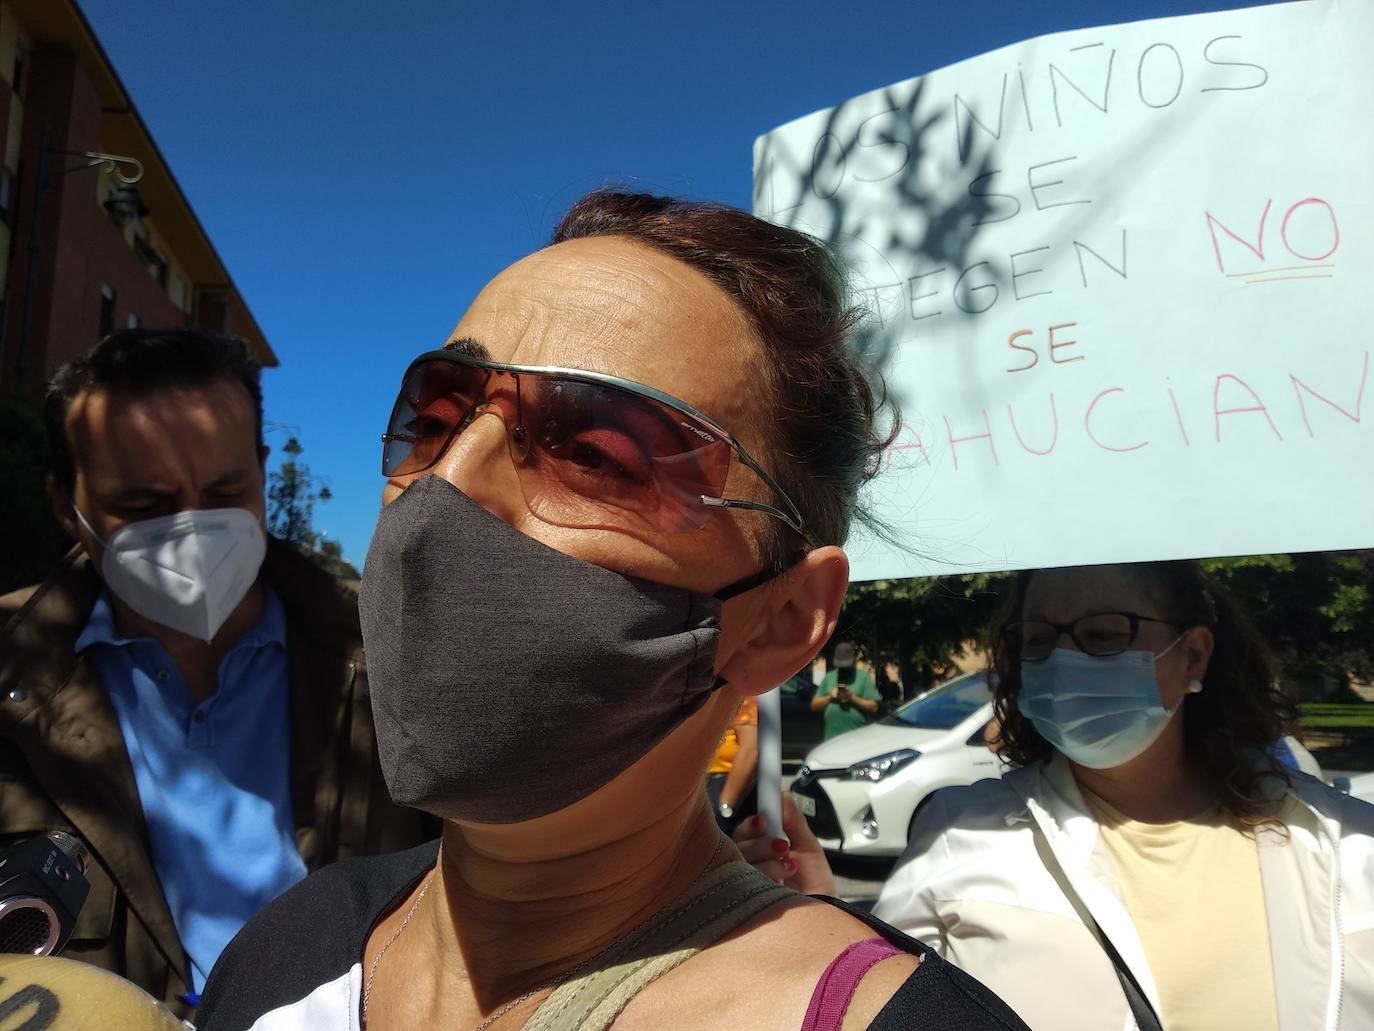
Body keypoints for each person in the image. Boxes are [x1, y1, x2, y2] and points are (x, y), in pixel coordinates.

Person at [196, 191, 1030, 1031]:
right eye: (438, 417)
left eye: (596, 451)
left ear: (783, 619)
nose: (447, 483)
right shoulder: (288, 949)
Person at [744, 561, 1374, 1031]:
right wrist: (819, 927)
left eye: (1103, 636)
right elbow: (889, 1007)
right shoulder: (960, 835)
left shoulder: (1350, 845)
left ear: (1194, 655)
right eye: (1040, 641)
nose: (1065, 662)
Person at [0, 329, 430, 1015]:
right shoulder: (12, 672)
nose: (193, 530)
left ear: (262, 472)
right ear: (65, 503)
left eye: (225, 489)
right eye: (143, 505)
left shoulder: (388, 650)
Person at [705, 696, 758, 833]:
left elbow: (750, 749)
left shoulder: (743, 693)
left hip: (724, 780)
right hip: (707, 781)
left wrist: (725, 805)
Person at [811, 641, 881, 739]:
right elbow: (814, 705)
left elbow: (874, 707)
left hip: (856, 737)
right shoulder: (830, 677)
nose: (843, 668)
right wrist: (830, 697)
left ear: (853, 661)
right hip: (831, 737)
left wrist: (851, 697)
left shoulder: (863, 677)